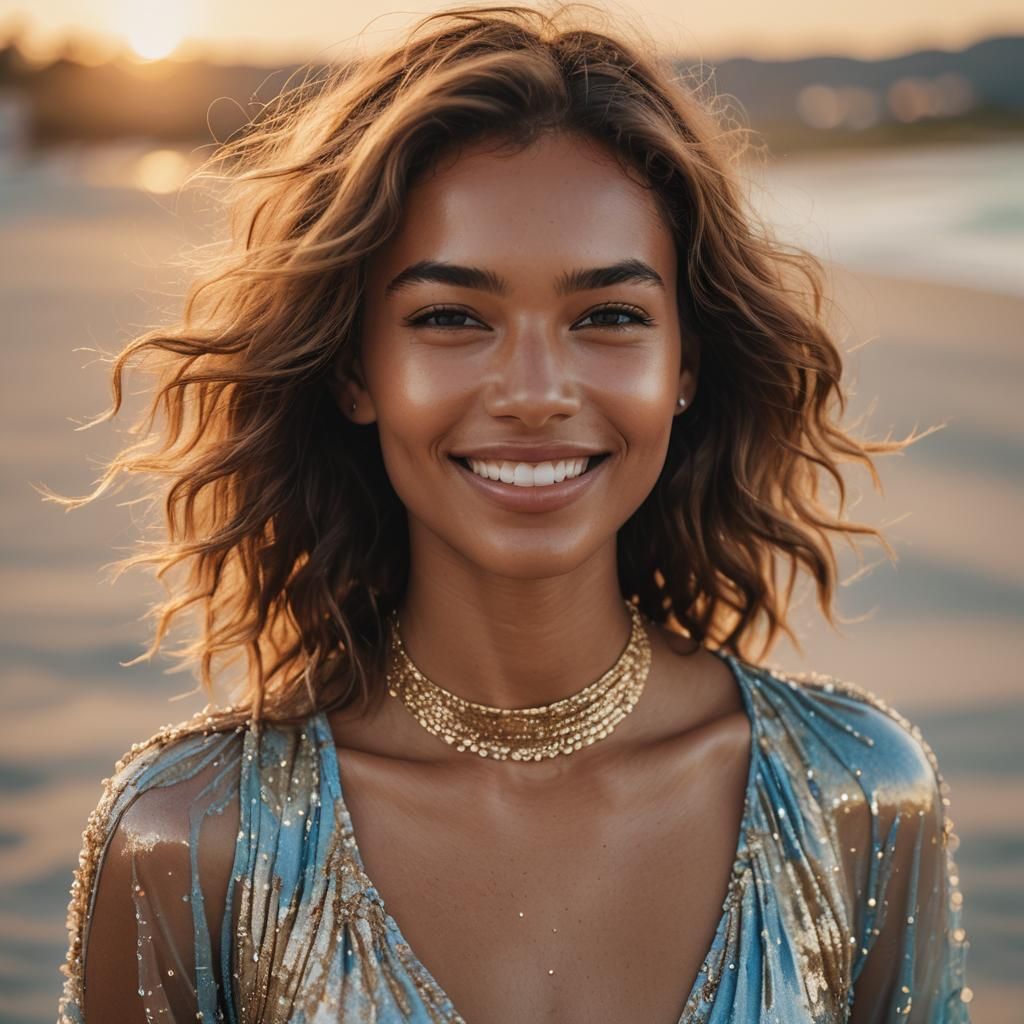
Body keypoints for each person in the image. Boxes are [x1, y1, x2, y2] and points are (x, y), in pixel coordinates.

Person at [55, 4, 972, 1021]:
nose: (535, 391)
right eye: (451, 316)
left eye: (608, 316)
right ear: (357, 367)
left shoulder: (859, 797)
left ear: (685, 366)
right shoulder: (191, 838)